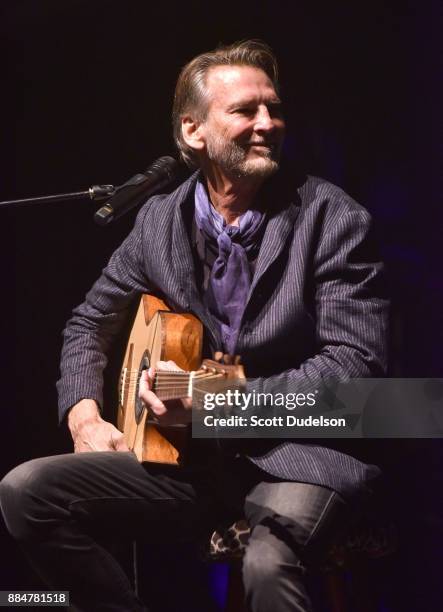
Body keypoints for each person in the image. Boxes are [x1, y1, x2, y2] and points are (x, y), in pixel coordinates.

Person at [0, 40, 388, 612]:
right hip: (195, 464)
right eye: (245, 111)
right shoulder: (160, 221)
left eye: (274, 108)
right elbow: (89, 322)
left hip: (303, 452)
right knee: (27, 493)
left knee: (268, 560)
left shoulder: (334, 219)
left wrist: (215, 409)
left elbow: (354, 371)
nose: (268, 123)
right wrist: (84, 415)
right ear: (192, 131)